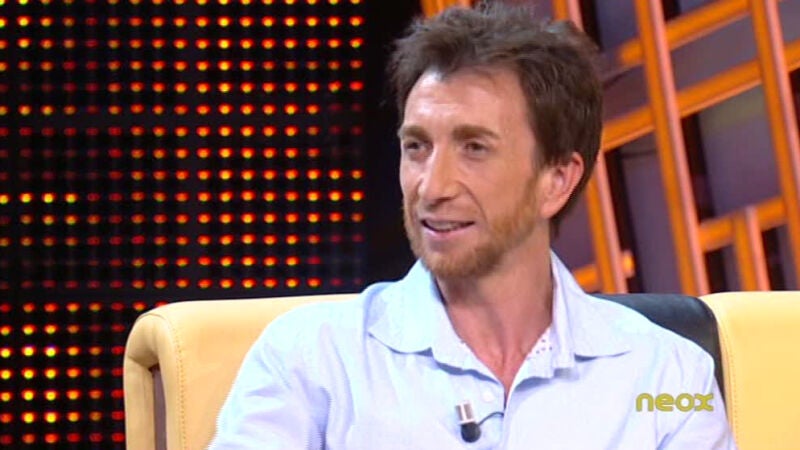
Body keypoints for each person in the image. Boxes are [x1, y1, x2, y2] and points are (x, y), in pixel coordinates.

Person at [209, 3, 736, 449]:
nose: (432, 186)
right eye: (417, 146)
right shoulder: (312, 359)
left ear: (556, 180)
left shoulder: (667, 374)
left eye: (474, 148)